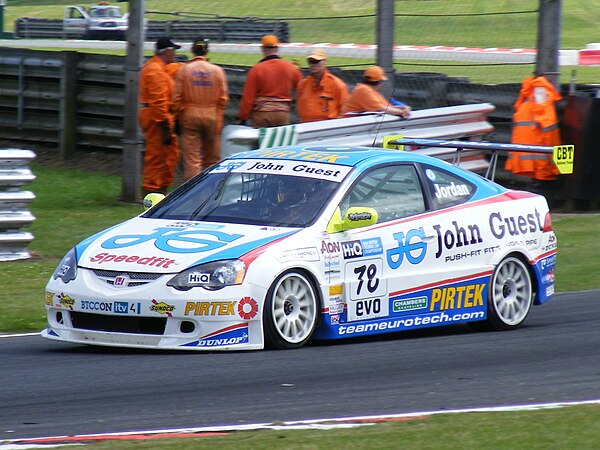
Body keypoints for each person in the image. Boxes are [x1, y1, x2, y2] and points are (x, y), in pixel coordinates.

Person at [172, 37, 229, 181]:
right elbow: (222, 99)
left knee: (192, 161)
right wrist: (218, 123)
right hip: (212, 116)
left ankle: (193, 194)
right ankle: (212, 193)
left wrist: (177, 118)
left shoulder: (184, 70)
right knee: (212, 159)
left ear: (192, 50)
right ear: (207, 50)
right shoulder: (217, 71)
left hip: (190, 116)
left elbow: (176, 99)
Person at [138, 36, 181, 197]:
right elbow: (158, 101)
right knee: (156, 157)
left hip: (162, 116)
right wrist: (164, 126)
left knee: (169, 157)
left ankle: (160, 192)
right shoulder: (154, 71)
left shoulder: (161, 68)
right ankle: (149, 194)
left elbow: (177, 68)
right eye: (173, 51)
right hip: (157, 118)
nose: (174, 54)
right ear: (167, 51)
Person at [238, 34, 302, 128]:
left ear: (262, 48)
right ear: (276, 48)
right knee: (280, 142)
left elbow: (248, 98)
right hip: (282, 114)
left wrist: (243, 117)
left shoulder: (256, 69)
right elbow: (303, 88)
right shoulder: (290, 67)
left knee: (261, 142)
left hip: (262, 114)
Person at [296, 49, 349, 123]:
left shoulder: (338, 85)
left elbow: (345, 112)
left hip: (328, 127)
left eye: (316, 62)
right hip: (306, 126)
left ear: (324, 62)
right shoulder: (303, 84)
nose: (313, 65)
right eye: (310, 62)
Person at [340, 66, 411, 118]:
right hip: (348, 124)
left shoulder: (369, 90)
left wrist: (404, 108)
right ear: (379, 82)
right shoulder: (363, 90)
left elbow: (387, 108)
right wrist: (402, 112)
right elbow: (381, 109)